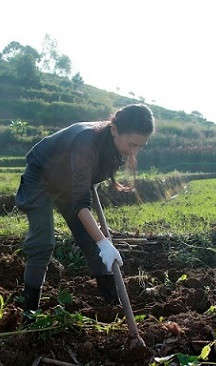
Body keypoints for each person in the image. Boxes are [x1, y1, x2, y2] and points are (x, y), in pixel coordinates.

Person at [15, 104, 154, 312]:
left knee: (91, 240)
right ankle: (29, 312)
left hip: (68, 180)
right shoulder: (87, 142)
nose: (133, 152)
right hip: (41, 177)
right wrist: (105, 243)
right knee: (42, 242)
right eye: (132, 144)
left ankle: (112, 304)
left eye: (139, 147)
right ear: (115, 129)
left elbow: (83, 184)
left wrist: (99, 241)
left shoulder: (112, 143)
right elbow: (80, 203)